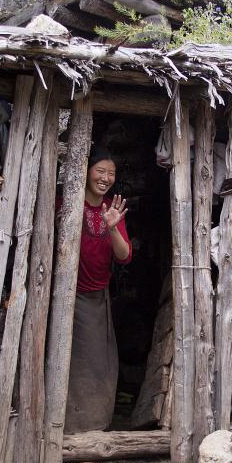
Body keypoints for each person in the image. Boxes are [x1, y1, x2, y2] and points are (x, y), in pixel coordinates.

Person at [64, 149, 132, 434]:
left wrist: (112, 227)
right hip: (66, 296)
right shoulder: (66, 203)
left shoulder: (111, 210)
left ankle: (92, 424)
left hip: (96, 298)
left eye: (110, 173)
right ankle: (66, 424)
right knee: (67, 362)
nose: (105, 178)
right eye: (100, 171)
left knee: (98, 364)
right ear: (87, 170)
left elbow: (124, 256)